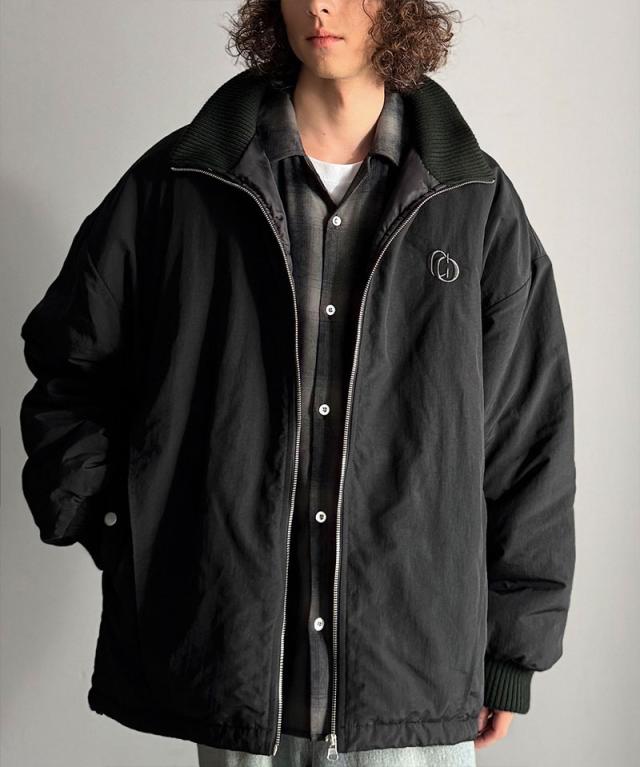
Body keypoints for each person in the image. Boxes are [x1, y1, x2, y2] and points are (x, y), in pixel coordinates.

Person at [18, 1, 576, 766]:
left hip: (411, 679)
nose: (321, 4)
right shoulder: (182, 184)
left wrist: (512, 650)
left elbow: (529, 434)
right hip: (237, 672)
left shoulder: (473, 201)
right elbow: (70, 362)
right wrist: (122, 524)